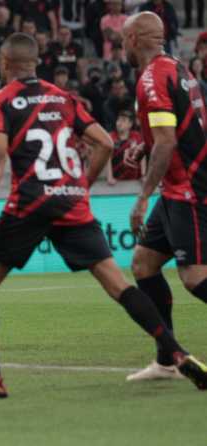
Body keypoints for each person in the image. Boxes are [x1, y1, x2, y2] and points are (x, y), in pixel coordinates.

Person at [0, 32, 206, 401]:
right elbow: (105, 143)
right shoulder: (63, 98)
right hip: (72, 204)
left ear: (4, 64)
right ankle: (176, 354)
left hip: (29, 204)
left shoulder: (0, 101)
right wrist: (82, 185)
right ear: (37, 62)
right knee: (122, 283)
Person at [120, 13, 207, 386]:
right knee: (143, 265)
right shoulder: (178, 68)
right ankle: (166, 361)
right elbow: (176, 128)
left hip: (189, 188)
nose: (121, 46)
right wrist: (146, 145)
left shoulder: (153, 76)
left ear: (134, 38)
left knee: (194, 278)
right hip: (176, 187)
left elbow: (170, 140)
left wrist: (141, 198)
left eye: (122, 39)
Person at [106, 110, 143, 184]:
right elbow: (108, 159)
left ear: (130, 124)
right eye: (118, 120)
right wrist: (110, 177)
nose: (119, 123)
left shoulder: (136, 136)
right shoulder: (110, 137)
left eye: (123, 120)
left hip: (135, 179)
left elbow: (142, 156)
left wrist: (143, 175)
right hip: (117, 180)